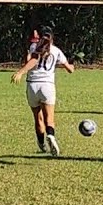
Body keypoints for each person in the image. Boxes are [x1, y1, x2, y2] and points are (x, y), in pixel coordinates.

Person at [11, 27, 75, 156]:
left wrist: (21, 72)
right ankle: (50, 135)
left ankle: (41, 144)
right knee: (49, 119)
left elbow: (33, 60)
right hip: (47, 86)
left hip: (32, 86)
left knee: (37, 118)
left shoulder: (35, 47)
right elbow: (70, 69)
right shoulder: (56, 51)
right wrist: (70, 66)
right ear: (52, 38)